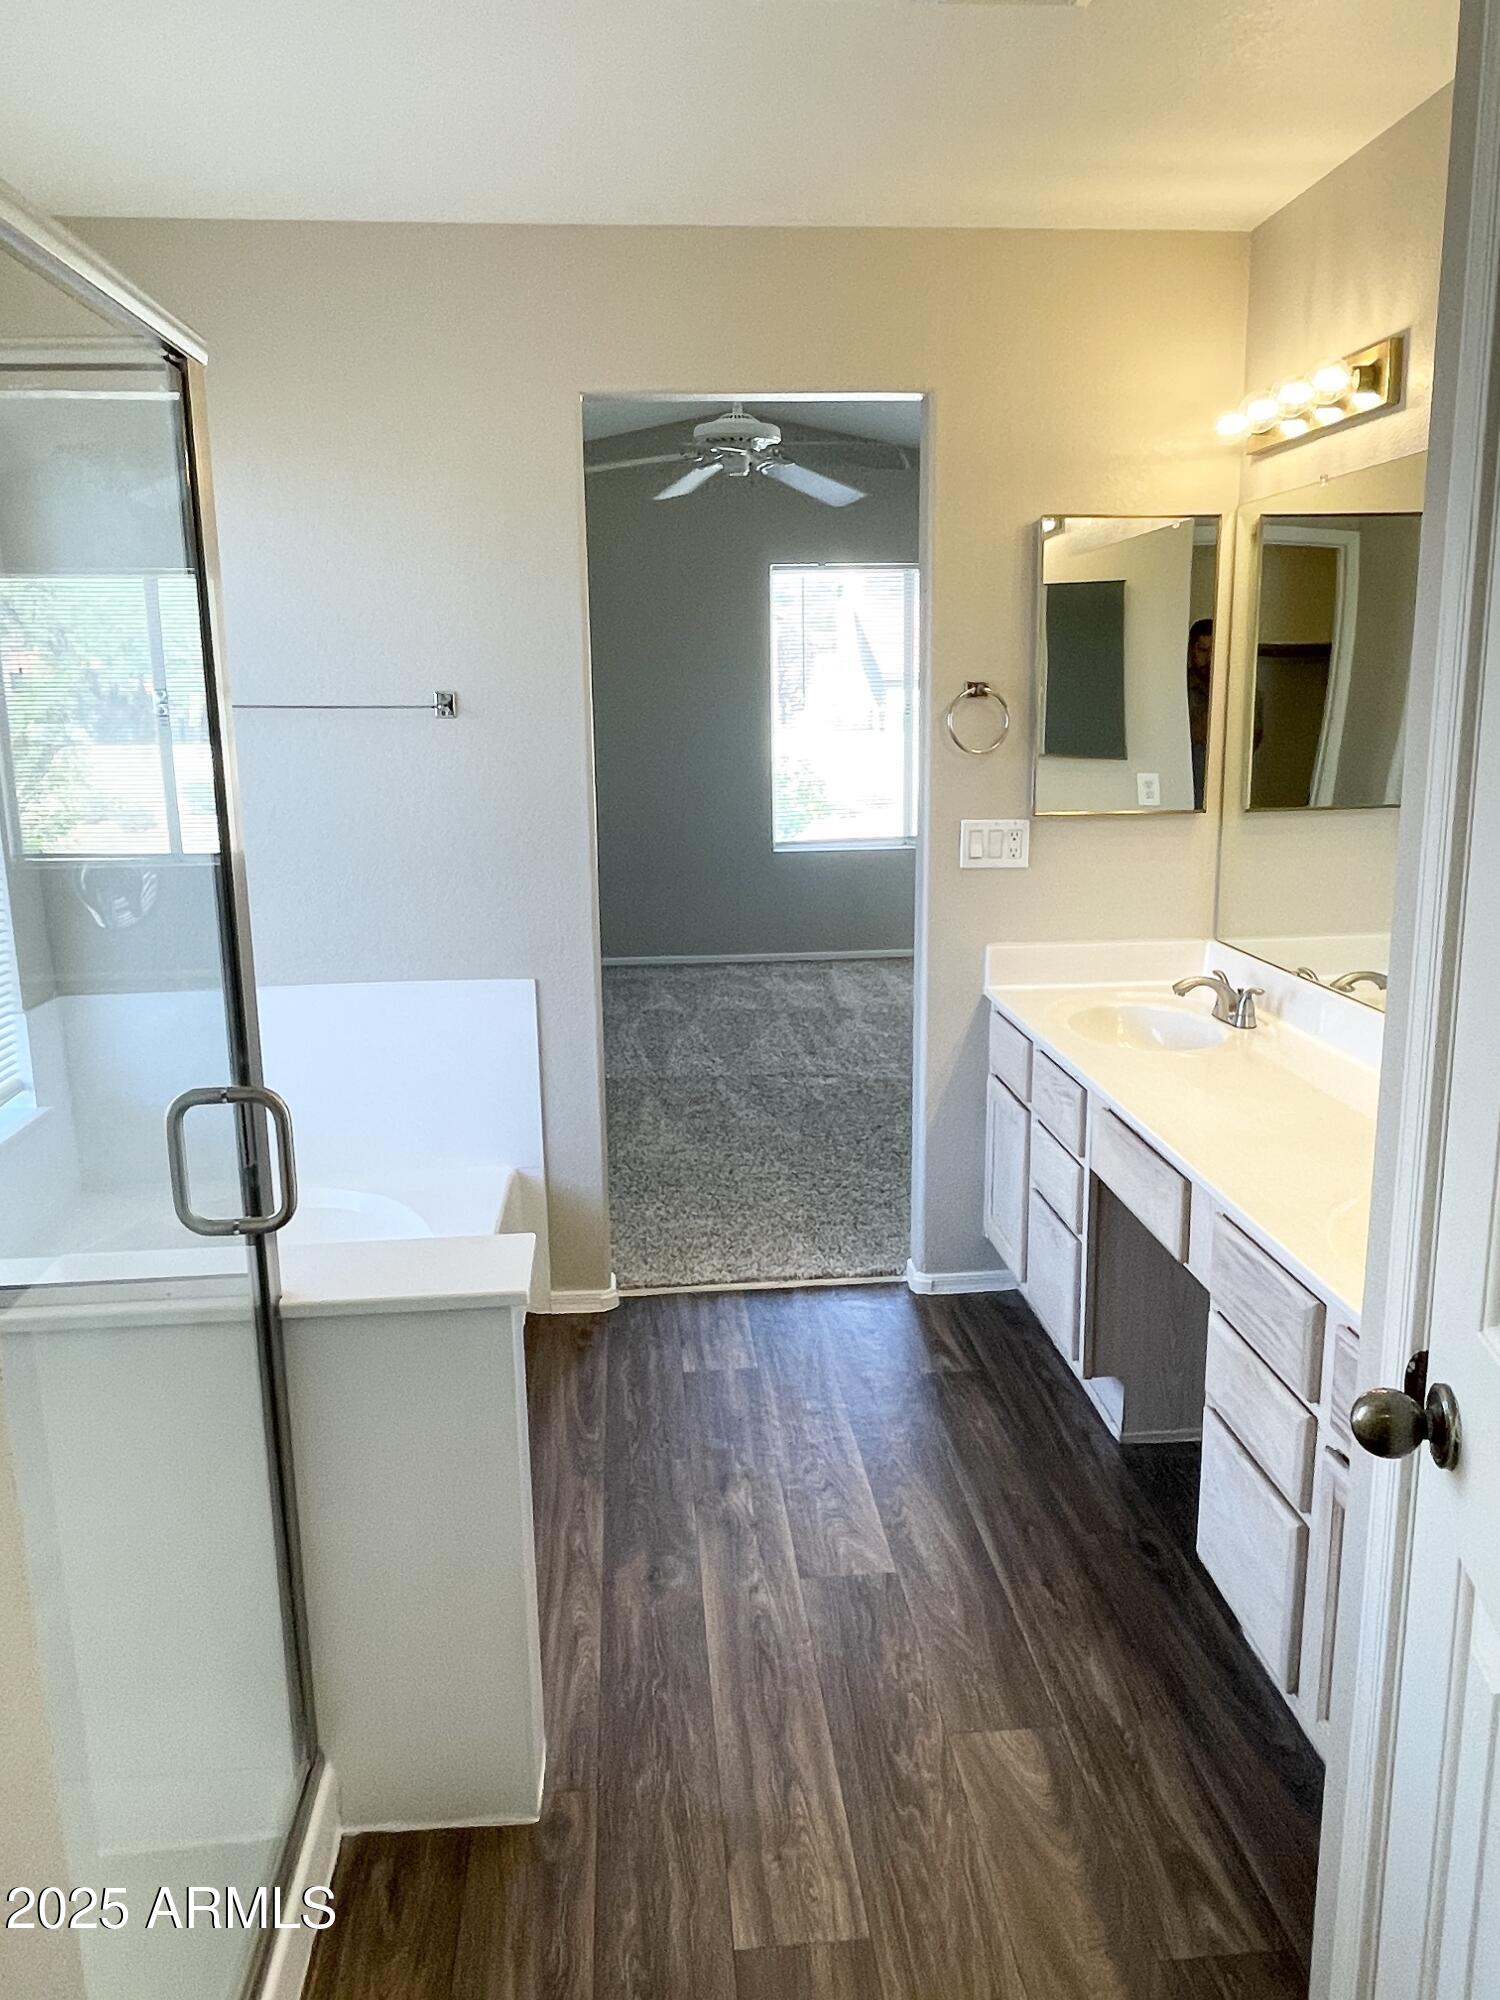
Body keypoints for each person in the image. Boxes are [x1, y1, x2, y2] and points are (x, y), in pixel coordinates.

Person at [1186, 617, 1213, 809]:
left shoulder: (1239, 690)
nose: (1210, 659)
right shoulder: (1178, 688)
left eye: (1215, 651)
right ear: (1191, 650)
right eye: (1204, 651)